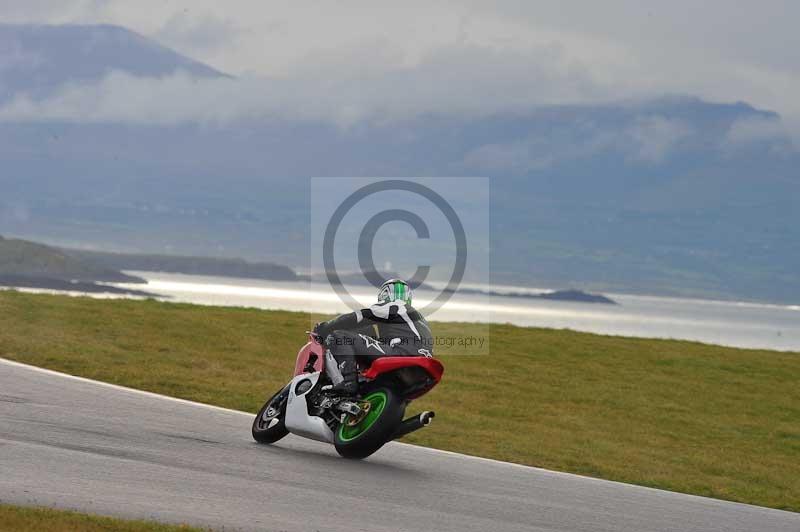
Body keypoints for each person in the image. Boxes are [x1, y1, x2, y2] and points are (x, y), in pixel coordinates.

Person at [313, 278, 433, 396]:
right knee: (366, 333)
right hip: (424, 368)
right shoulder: (420, 318)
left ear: (385, 294)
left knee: (340, 337)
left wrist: (325, 327)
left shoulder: (394, 305)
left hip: (402, 353)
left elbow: (358, 317)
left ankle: (348, 382)